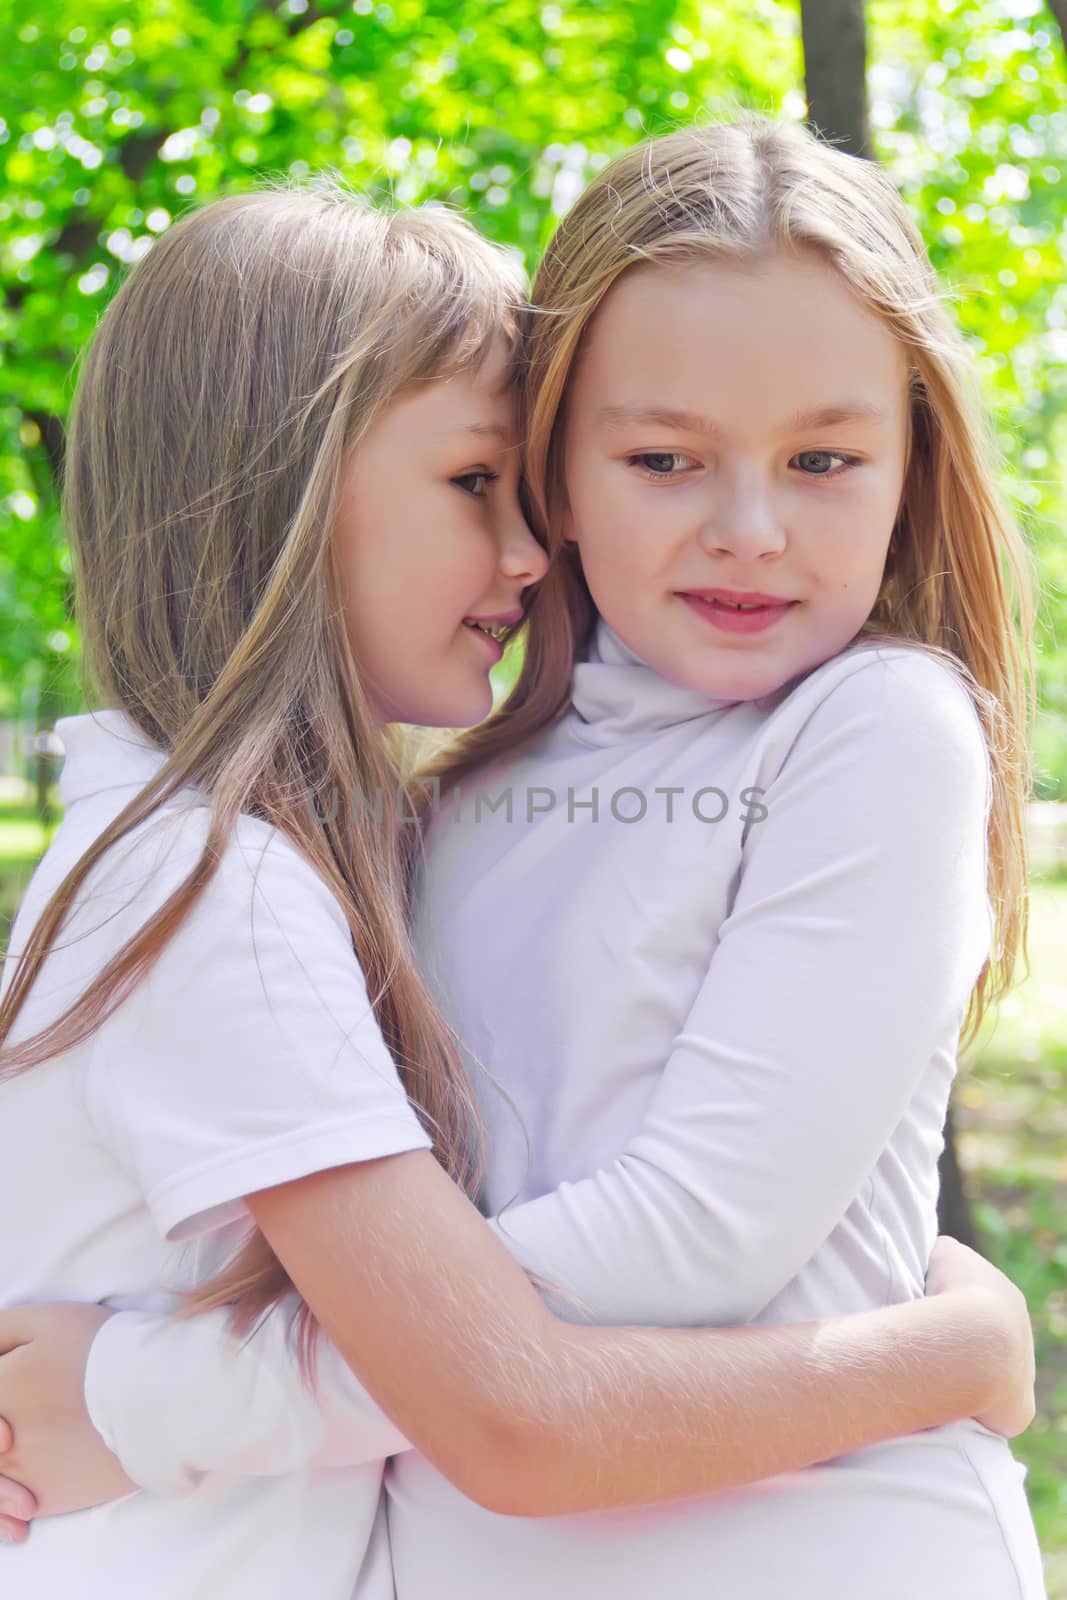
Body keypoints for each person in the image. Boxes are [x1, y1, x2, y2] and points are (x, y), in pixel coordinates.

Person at [0, 152, 1039, 1598]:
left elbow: (695, 1240)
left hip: (802, 1549)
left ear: (914, 463)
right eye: (662, 459)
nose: (749, 527)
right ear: (564, 461)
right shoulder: (432, 807)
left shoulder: (871, 728)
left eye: (825, 458)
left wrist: (154, 1398)